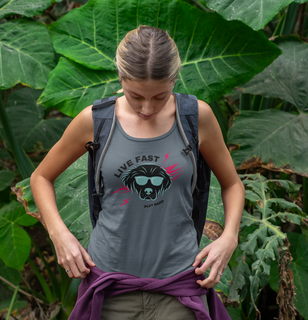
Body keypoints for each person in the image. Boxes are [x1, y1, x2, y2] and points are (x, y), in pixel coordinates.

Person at [30, 25, 245, 319]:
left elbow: (232, 183)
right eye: (135, 96)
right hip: (110, 289)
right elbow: (41, 177)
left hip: (179, 286)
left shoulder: (196, 118)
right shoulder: (96, 121)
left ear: (174, 79)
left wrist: (230, 237)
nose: (147, 108)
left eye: (159, 96)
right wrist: (59, 234)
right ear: (120, 78)